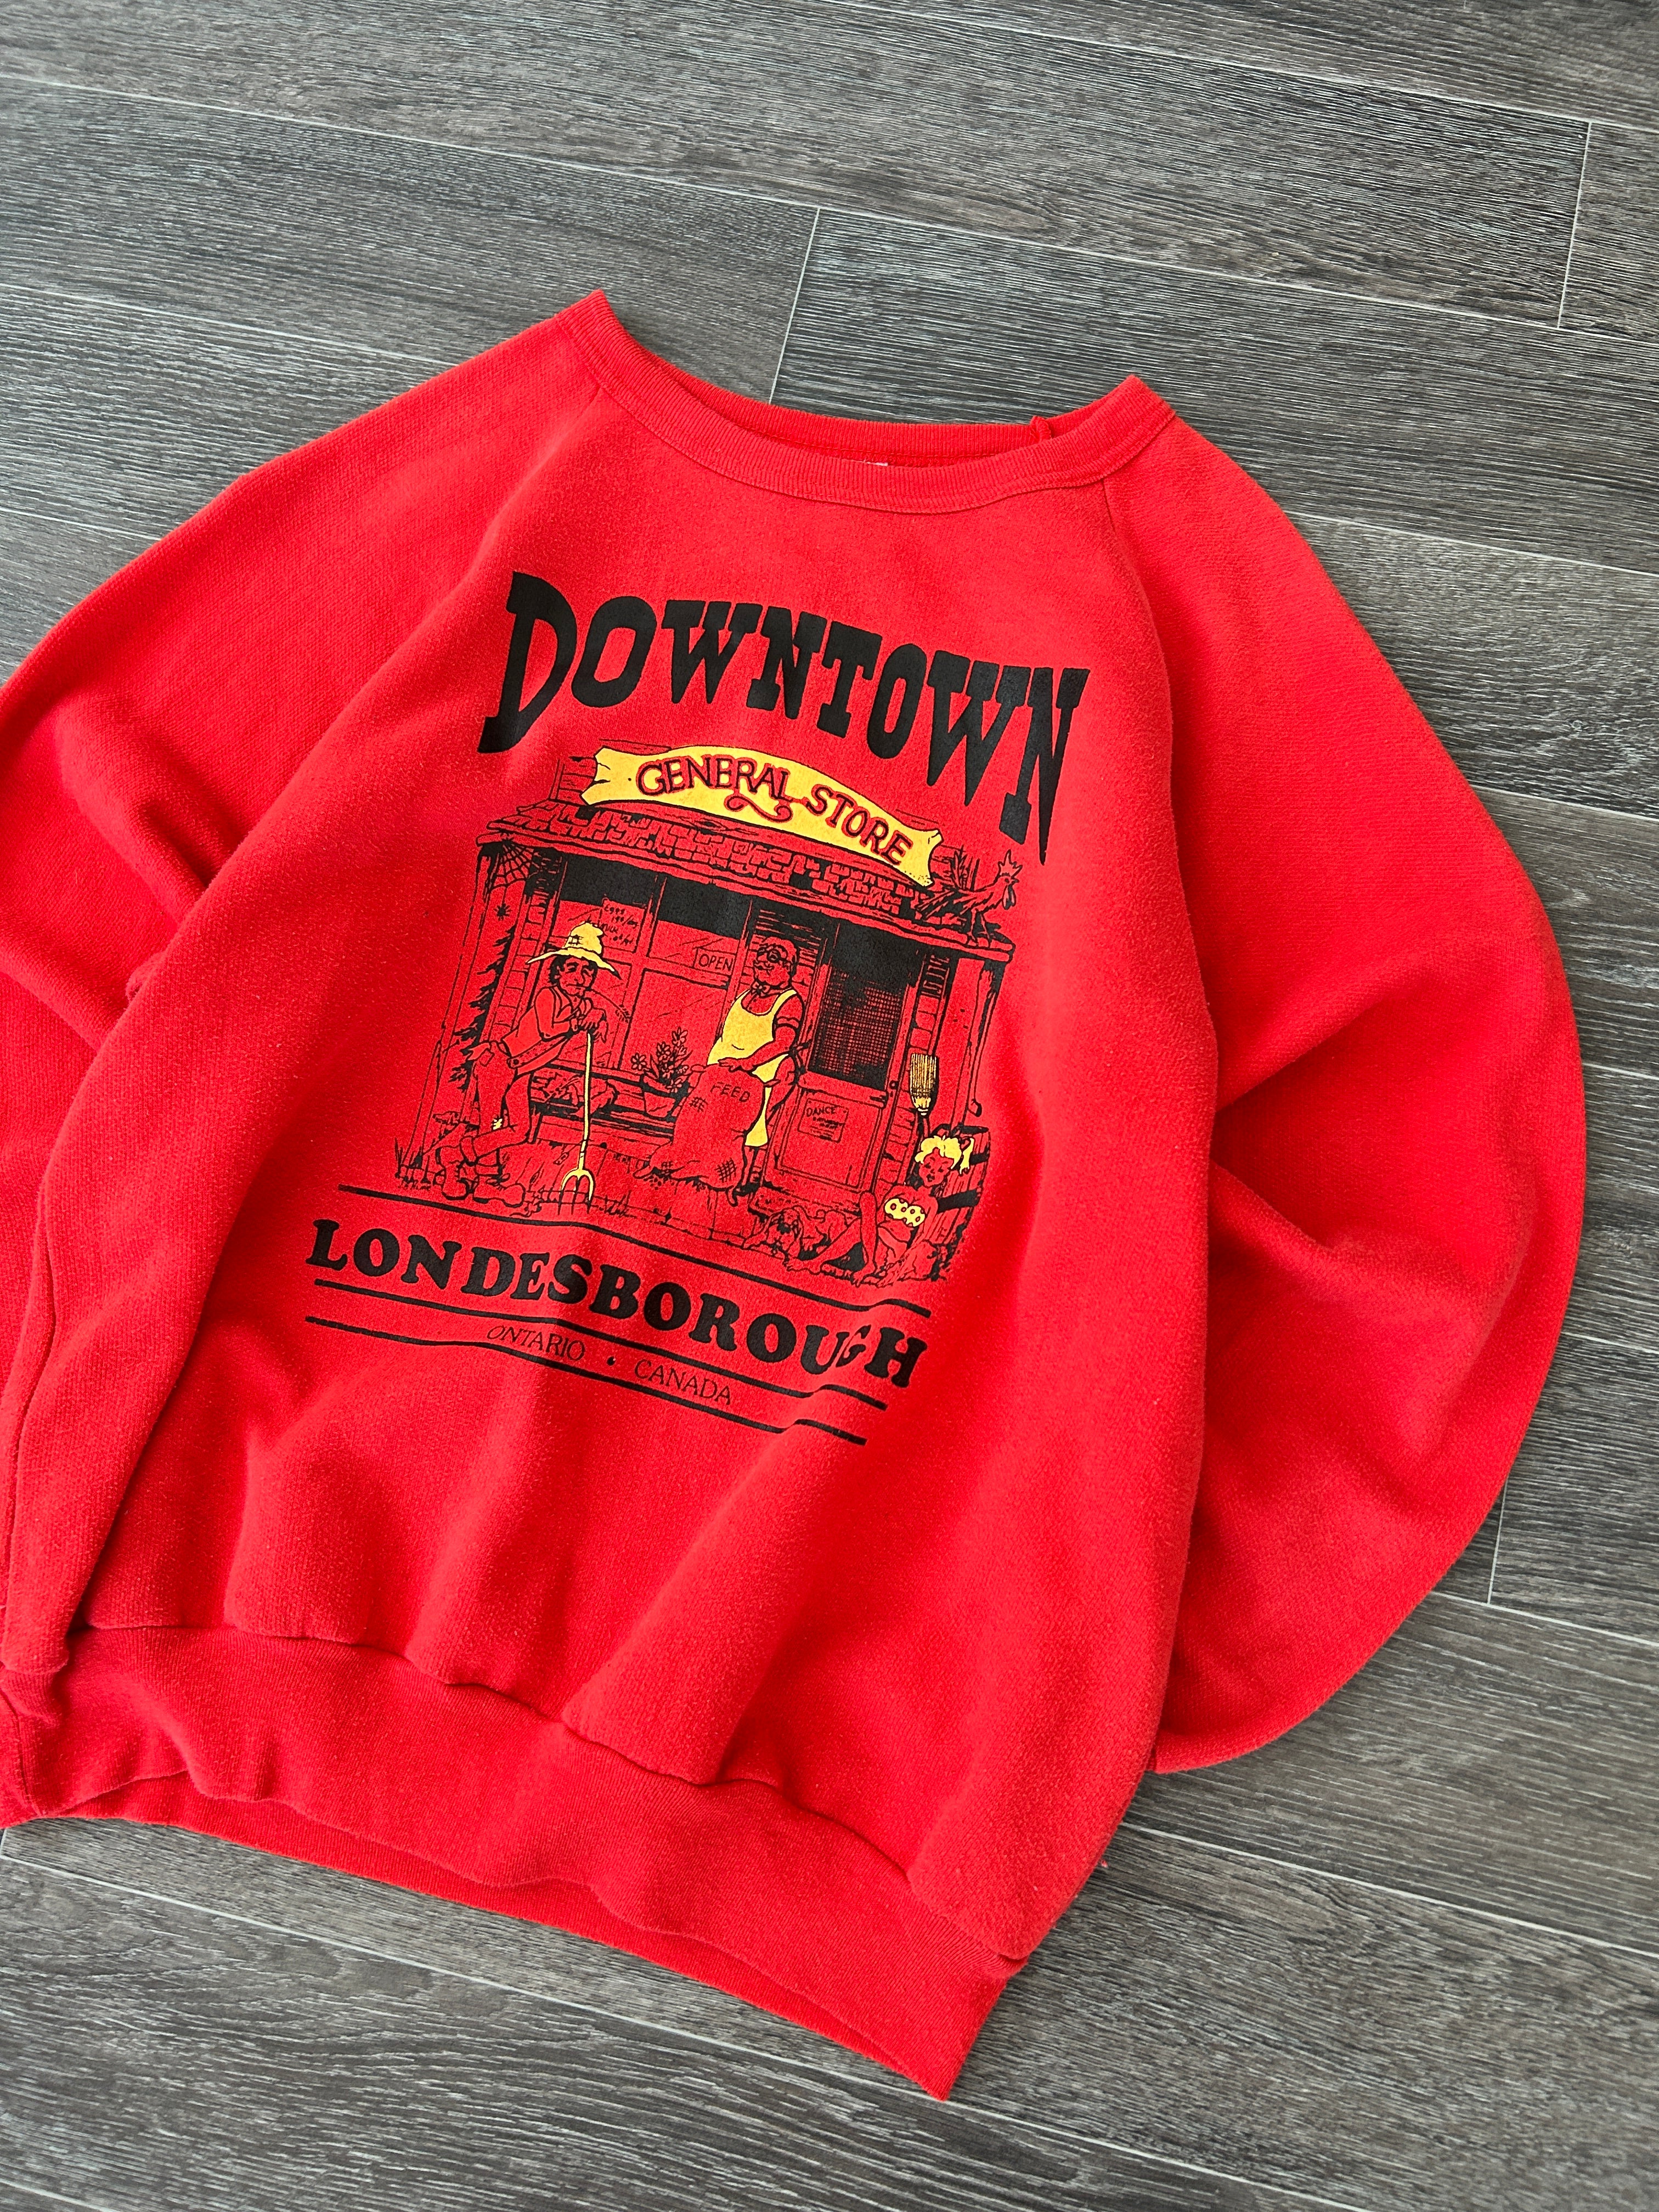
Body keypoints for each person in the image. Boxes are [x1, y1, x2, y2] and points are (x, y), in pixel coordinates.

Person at [438, 919, 615, 1198]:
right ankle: (484, 1182)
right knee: (492, 1124)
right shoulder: (547, 995)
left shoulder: (584, 1005)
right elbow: (548, 1030)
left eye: (587, 971)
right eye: (572, 968)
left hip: (523, 1072)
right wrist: (580, 1023)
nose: (579, 977)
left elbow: (593, 1028)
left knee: (520, 1129)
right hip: (499, 1063)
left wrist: (597, 1018)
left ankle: (457, 1155)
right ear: (558, 971)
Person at [815, 1133, 974, 1284]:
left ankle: (833, 1262)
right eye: (929, 1165)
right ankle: (824, 1262)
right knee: (867, 1201)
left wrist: (901, 1263)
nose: (933, 1172)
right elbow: (876, 1220)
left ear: (946, 1176)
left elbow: (920, 1237)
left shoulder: (931, 1204)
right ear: (920, 1163)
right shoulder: (899, 1190)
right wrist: (871, 1234)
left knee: (861, 1225)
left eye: (941, 1170)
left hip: (894, 1250)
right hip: (873, 1243)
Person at [704, 935, 803, 1158]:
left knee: (742, 1137)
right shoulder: (747, 995)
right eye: (761, 954)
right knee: (709, 1125)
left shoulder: (789, 1001)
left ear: (788, 968)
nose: (763, 961)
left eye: (773, 957)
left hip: (755, 1078)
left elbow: (784, 1042)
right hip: (720, 1075)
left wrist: (748, 1063)